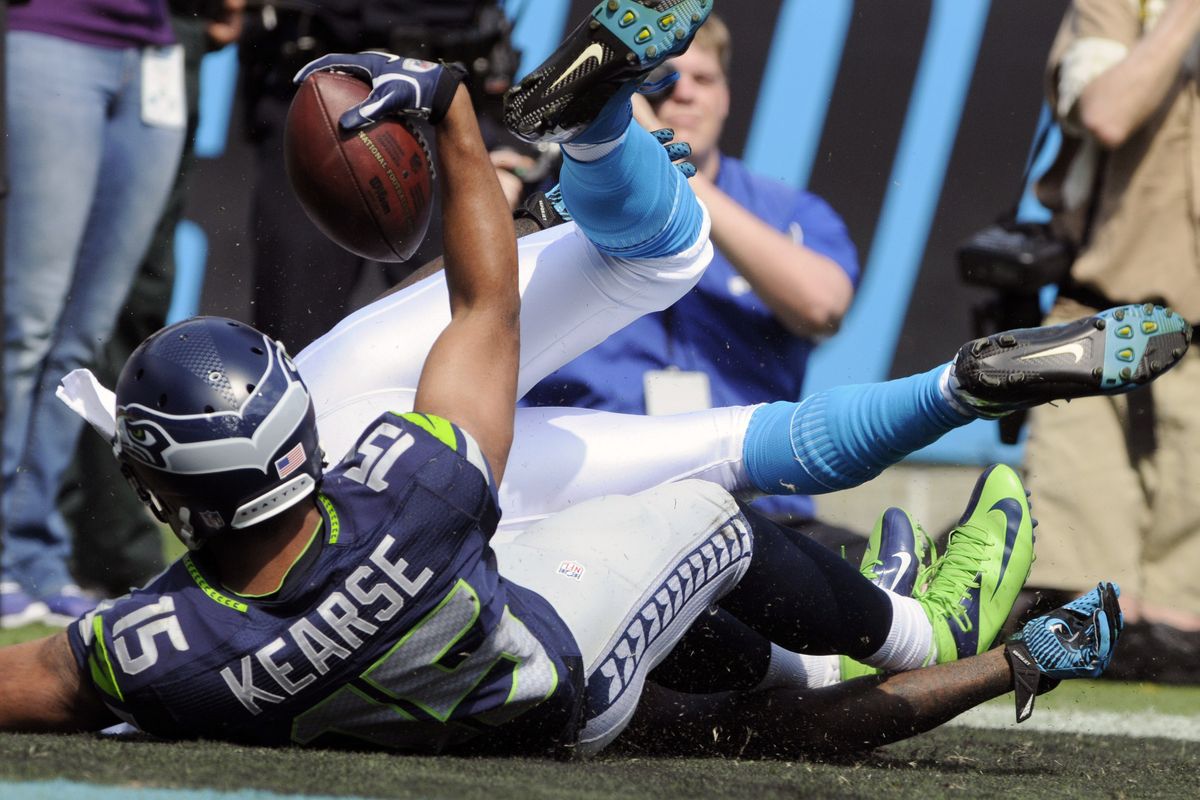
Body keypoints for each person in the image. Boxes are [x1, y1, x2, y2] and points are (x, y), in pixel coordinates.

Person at [18, 0, 1184, 755]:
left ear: (174, 498)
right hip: (507, 592)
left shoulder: (158, 652)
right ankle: (600, 142)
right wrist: (457, 120)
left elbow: (44, 678)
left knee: (729, 506)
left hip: (505, 631)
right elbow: (483, 300)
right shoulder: (392, 488)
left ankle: (922, 599)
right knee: (684, 332)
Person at [521, 13, 859, 538]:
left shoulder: (788, 209)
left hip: (759, 510)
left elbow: (823, 307)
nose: (686, 96)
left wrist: (670, 174)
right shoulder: (562, 199)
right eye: (666, 81)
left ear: (726, 96)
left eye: (705, 80)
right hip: (588, 506)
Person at [1020, 0, 1200, 681]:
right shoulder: (1118, 5)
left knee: (1184, 639)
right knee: (1086, 616)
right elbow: (1106, 113)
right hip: (1103, 339)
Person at [2, 0, 188, 626]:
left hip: (156, 54)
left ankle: (36, 552)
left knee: (83, 335)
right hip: (56, 39)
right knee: (26, 325)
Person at [58, 0, 247, 611]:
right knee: (63, 302)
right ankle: (60, 541)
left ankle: (112, 543)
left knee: (138, 296)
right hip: (66, 33)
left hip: (169, 35)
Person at [238, 0, 521, 352]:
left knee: (461, 342)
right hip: (315, 93)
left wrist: (481, 143)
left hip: (437, 94)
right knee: (292, 350)